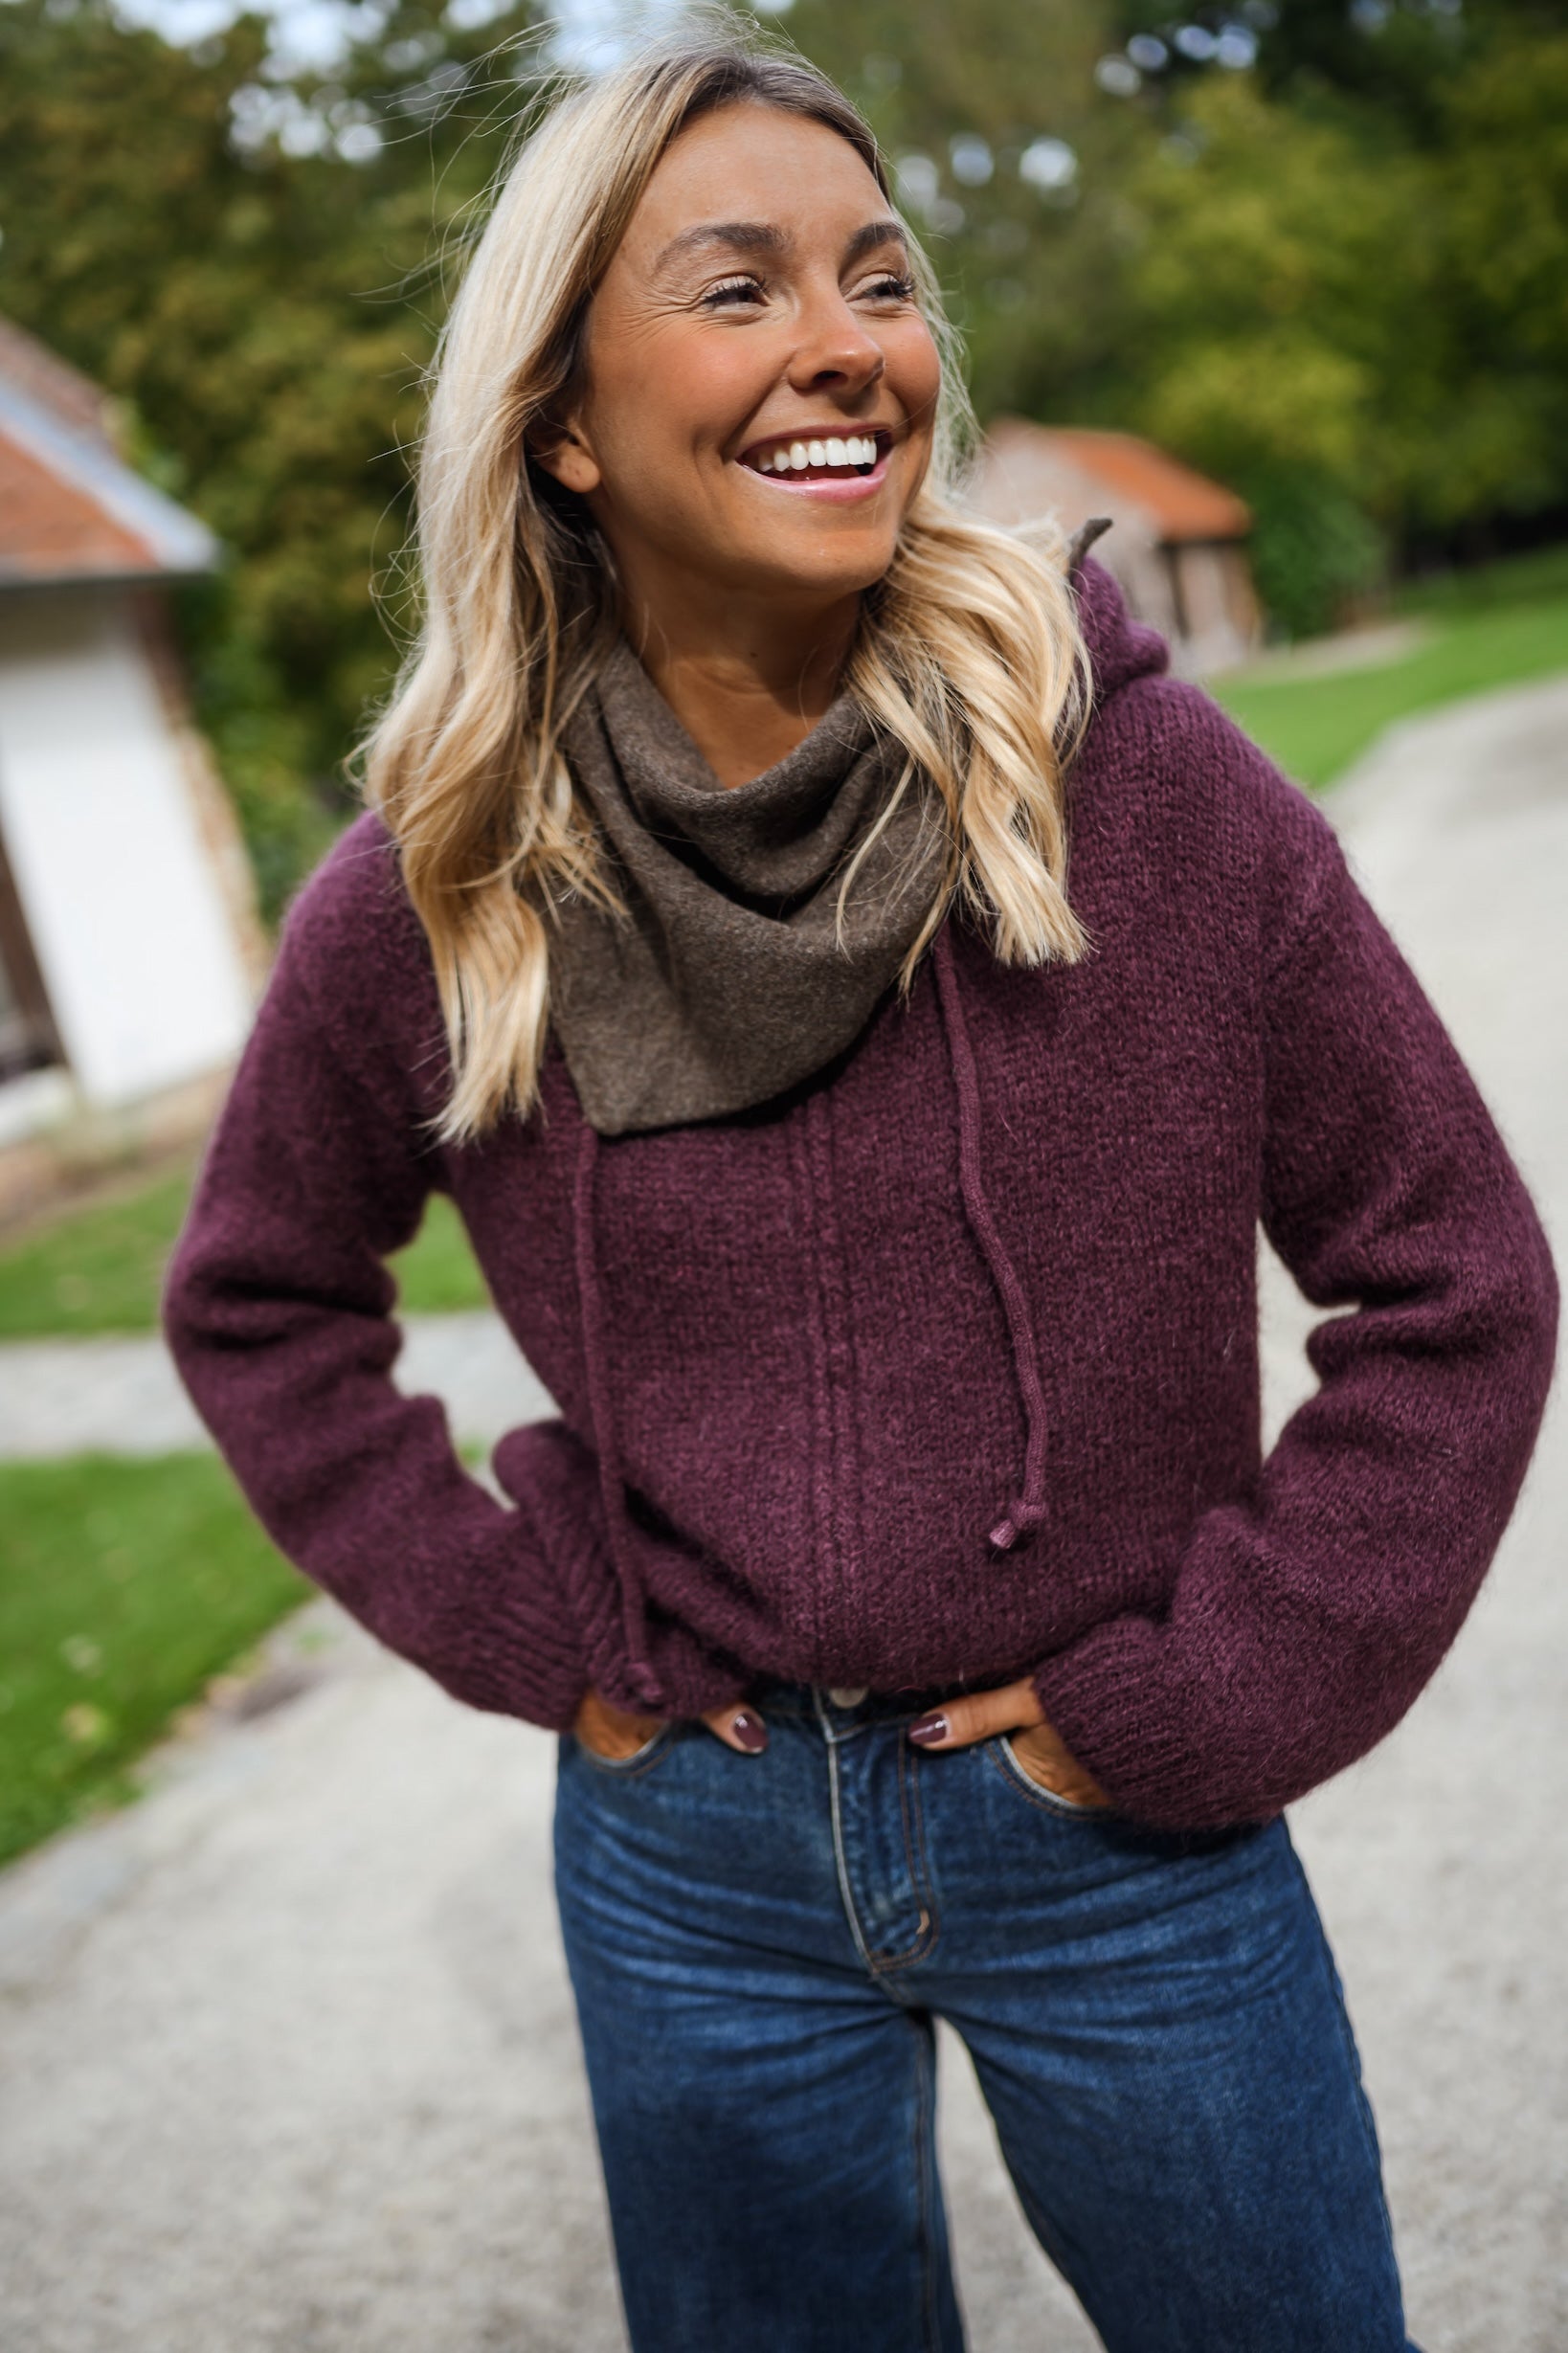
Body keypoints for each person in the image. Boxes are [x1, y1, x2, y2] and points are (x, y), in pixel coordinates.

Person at [164, 25, 1558, 2353]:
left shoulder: (1144, 798)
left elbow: (1459, 1277)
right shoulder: (451, 887)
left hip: (1122, 1837)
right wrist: (525, 1627)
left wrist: (1207, 1690)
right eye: (739, 287)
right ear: (567, 421)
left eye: (880, 278)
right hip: (686, 1862)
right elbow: (259, 1302)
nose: (848, 346)